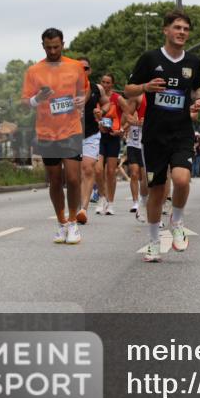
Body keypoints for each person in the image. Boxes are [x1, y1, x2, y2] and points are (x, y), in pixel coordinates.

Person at [124, 11, 200, 263]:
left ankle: (177, 221)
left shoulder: (193, 62)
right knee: (157, 190)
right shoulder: (150, 59)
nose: (182, 32)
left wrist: (198, 99)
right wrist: (145, 88)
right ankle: (153, 242)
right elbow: (128, 89)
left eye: (185, 29)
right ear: (165, 30)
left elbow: (196, 88)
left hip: (181, 131)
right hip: (154, 135)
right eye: (177, 27)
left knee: (181, 179)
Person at [22, 28, 88, 245]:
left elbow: (84, 90)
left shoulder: (75, 66)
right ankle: (61, 223)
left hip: (71, 129)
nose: (52, 50)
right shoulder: (34, 71)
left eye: (56, 47)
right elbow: (25, 102)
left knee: (73, 178)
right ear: (42, 46)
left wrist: (82, 100)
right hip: (47, 132)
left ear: (63, 44)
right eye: (48, 47)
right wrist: (37, 99)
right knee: (55, 180)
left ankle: (72, 223)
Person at [77, 58, 107, 224]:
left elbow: (107, 104)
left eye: (86, 68)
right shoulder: (67, 88)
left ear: (90, 70)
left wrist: (101, 111)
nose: (82, 71)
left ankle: (83, 209)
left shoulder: (98, 88)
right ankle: (76, 205)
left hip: (91, 134)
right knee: (73, 175)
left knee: (88, 169)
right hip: (71, 135)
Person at [95, 73, 123, 215]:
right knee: (98, 170)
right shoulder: (96, 97)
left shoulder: (117, 98)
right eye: (103, 82)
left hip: (113, 137)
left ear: (112, 84)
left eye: (108, 82)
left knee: (111, 172)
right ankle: (102, 197)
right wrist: (97, 124)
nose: (105, 85)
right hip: (99, 137)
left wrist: (122, 129)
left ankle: (110, 203)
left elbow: (129, 113)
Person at [121, 93, 148, 218]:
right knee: (134, 174)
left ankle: (144, 199)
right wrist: (133, 122)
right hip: (132, 145)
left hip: (143, 145)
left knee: (144, 176)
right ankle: (135, 202)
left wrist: (144, 122)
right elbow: (124, 125)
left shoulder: (146, 112)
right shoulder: (131, 113)